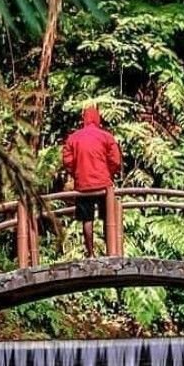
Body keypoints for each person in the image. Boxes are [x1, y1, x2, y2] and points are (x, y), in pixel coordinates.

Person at [61, 105, 122, 257]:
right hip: (103, 185)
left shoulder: (73, 138)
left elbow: (67, 161)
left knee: (87, 219)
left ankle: (91, 253)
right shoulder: (106, 136)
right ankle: (111, 251)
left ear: (84, 119)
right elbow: (116, 160)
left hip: (83, 185)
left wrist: (76, 174)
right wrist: (110, 173)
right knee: (108, 217)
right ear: (98, 119)